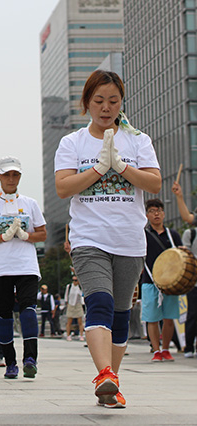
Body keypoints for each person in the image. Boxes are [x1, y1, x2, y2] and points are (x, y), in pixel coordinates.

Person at [54, 70, 161, 408]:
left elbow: (154, 184)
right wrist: (99, 169)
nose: (106, 107)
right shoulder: (73, 143)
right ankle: (104, 374)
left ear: (121, 103)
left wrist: (122, 167)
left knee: (118, 313)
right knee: (98, 301)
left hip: (129, 240)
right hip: (90, 239)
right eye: (98, 100)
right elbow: (63, 188)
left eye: (113, 101)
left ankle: (110, 381)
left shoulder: (138, 140)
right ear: (86, 103)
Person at [0, 156, 46, 380]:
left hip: (26, 265)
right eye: (6, 175)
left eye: (15, 174)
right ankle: (10, 361)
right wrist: (3, 237)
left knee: (28, 310)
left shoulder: (30, 203)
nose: (11, 179)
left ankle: (30, 359)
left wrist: (25, 235)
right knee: (3, 315)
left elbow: (43, 233)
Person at [139, 199, 182, 362]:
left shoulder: (173, 235)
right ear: (147, 215)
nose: (156, 214)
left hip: (170, 281)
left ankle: (166, 348)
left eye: (158, 210)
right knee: (152, 318)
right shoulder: (143, 235)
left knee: (169, 317)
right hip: (150, 280)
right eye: (152, 211)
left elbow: (179, 255)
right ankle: (156, 350)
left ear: (163, 214)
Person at [170, 181, 197, 358]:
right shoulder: (191, 232)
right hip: (195, 281)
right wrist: (179, 196)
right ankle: (188, 347)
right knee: (193, 313)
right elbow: (187, 217)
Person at [64, 276, 85, 341]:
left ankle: (81, 335)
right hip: (71, 304)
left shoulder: (80, 287)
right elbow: (66, 295)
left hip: (78, 304)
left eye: (76, 280)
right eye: (73, 280)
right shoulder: (69, 286)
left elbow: (82, 295)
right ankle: (68, 335)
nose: (74, 281)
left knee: (80, 321)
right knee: (69, 321)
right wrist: (66, 303)